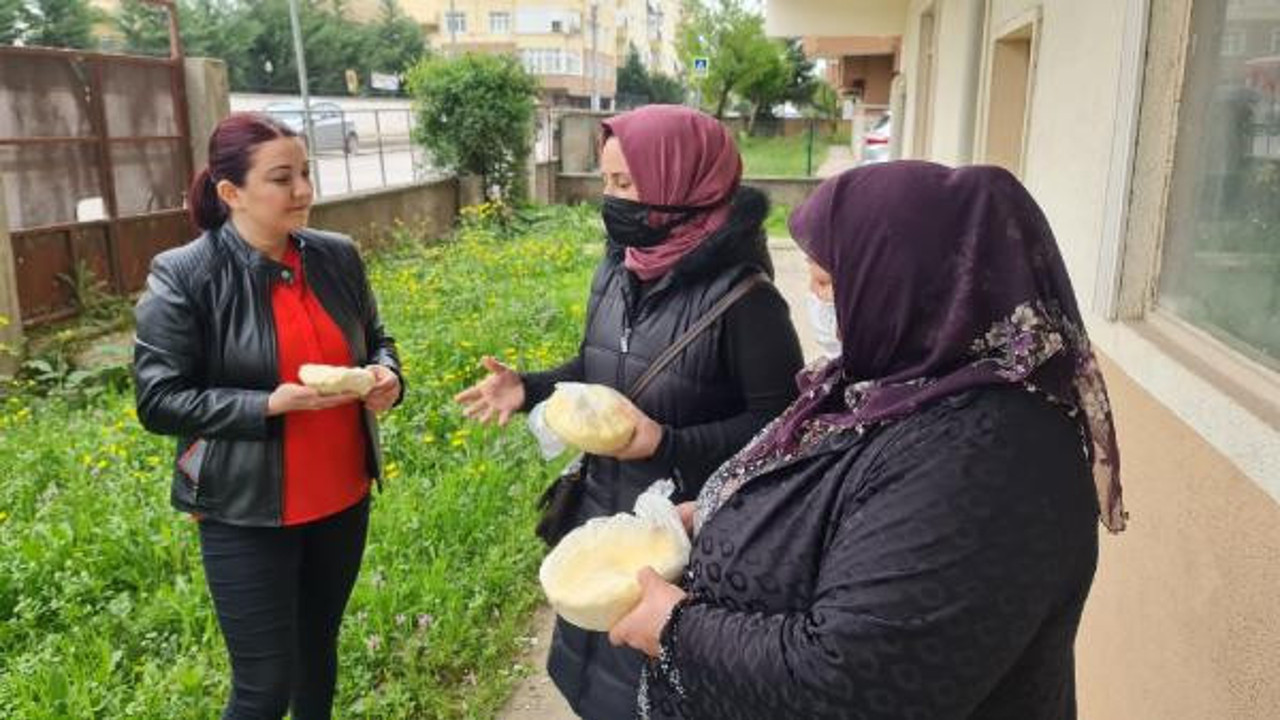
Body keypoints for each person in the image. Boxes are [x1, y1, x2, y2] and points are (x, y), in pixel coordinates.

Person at [609, 161, 1128, 720]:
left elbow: (854, 684)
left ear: (912, 285)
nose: (816, 299)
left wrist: (676, 630)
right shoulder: (888, 384)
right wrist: (714, 513)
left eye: (828, 282)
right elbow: (832, 495)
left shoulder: (995, 454)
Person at [455, 105, 805, 718]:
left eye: (623, 184)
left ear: (680, 183)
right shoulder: (619, 268)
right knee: (590, 684)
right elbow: (599, 369)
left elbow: (781, 434)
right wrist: (530, 388)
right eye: (605, 181)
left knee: (650, 700)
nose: (606, 199)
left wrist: (663, 443)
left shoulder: (749, 302)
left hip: (682, 544)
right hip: (602, 523)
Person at [133, 112, 404, 719]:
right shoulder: (186, 276)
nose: (304, 190)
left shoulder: (337, 257)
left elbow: (377, 339)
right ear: (231, 192)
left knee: (317, 658)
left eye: (305, 172)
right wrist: (266, 404)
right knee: (264, 686)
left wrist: (388, 376)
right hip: (245, 509)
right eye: (282, 178)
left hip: (341, 499)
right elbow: (158, 399)